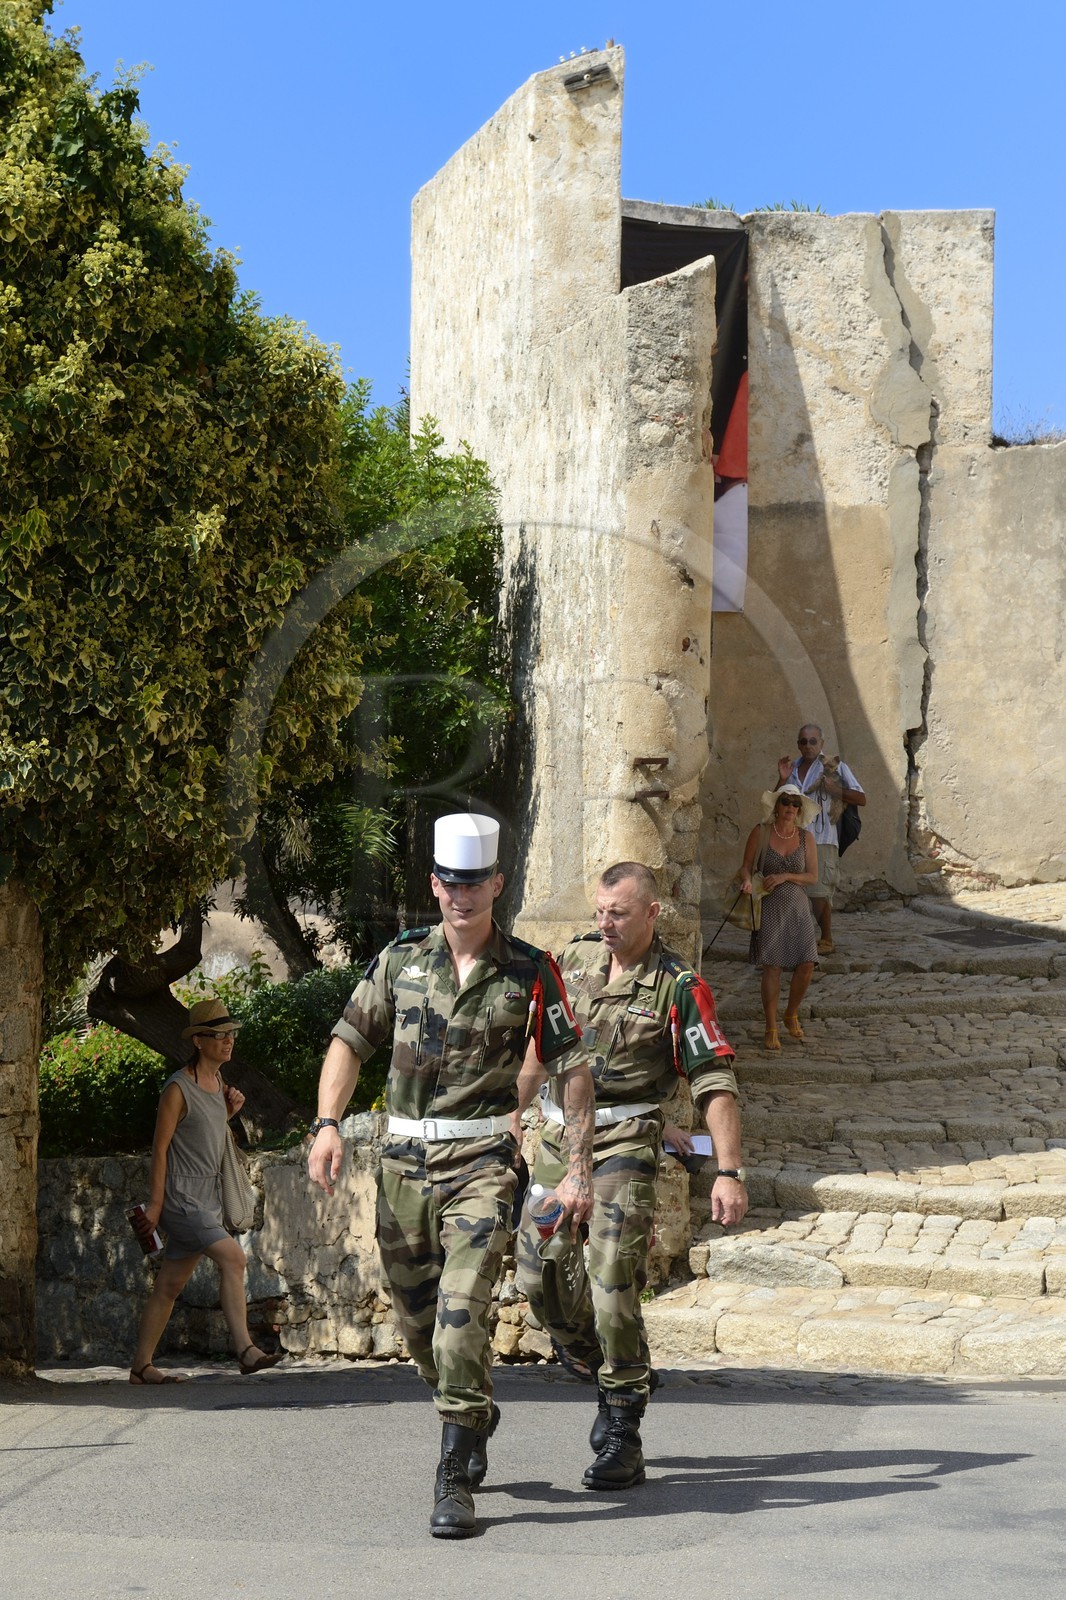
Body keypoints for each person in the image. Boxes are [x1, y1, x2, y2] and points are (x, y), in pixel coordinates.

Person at [307, 813, 594, 1540]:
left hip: (482, 1166)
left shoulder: (531, 970)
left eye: (476, 884)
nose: (461, 896)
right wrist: (327, 1123)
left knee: (463, 1310)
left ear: (497, 884)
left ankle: (454, 1472)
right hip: (402, 1166)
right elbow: (348, 1042)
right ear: (434, 884)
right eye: (450, 883)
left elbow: (572, 1068)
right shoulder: (400, 962)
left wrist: (580, 1166)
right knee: (420, 1327)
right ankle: (472, 1410)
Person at [515, 862, 747, 1492]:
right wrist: (515, 1110)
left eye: (618, 913)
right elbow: (543, 1041)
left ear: (652, 913)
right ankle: (599, 1359)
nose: (605, 923)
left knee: (612, 1273)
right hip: (562, 1138)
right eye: (599, 911)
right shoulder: (577, 958)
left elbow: (714, 1079)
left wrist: (727, 1170)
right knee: (535, 1271)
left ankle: (623, 1425)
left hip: (626, 1140)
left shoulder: (678, 986)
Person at [129, 997, 281, 1384]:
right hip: (182, 1199)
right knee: (234, 1259)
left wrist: (228, 1113)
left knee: (169, 1285)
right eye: (218, 1035)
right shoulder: (178, 1089)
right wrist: (157, 1206)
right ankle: (246, 1350)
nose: (228, 1041)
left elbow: (205, 1135)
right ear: (198, 1040)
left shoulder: (219, 1086)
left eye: (230, 1034)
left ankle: (140, 1367)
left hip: (209, 1199)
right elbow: (160, 1148)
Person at [740, 786, 819, 1050]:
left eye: (795, 804)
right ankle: (771, 1025)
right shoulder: (761, 832)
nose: (790, 807)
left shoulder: (806, 838)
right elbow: (746, 867)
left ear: (799, 810)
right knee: (772, 967)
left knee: (807, 963)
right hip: (770, 905)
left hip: (798, 907)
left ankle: (791, 1013)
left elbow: (812, 876)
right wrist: (747, 882)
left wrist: (786, 876)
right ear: (777, 805)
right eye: (785, 801)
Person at [776, 723, 865, 954]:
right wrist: (782, 779)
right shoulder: (792, 768)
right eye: (803, 741)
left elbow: (861, 797)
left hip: (823, 838)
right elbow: (778, 802)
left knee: (819, 892)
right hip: (794, 838)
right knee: (790, 890)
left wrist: (836, 791)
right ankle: (795, 940)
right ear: (798, 744)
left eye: (813, 741)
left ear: (822, 743)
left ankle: (826, 939)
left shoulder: (836, 766)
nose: (808, 746)